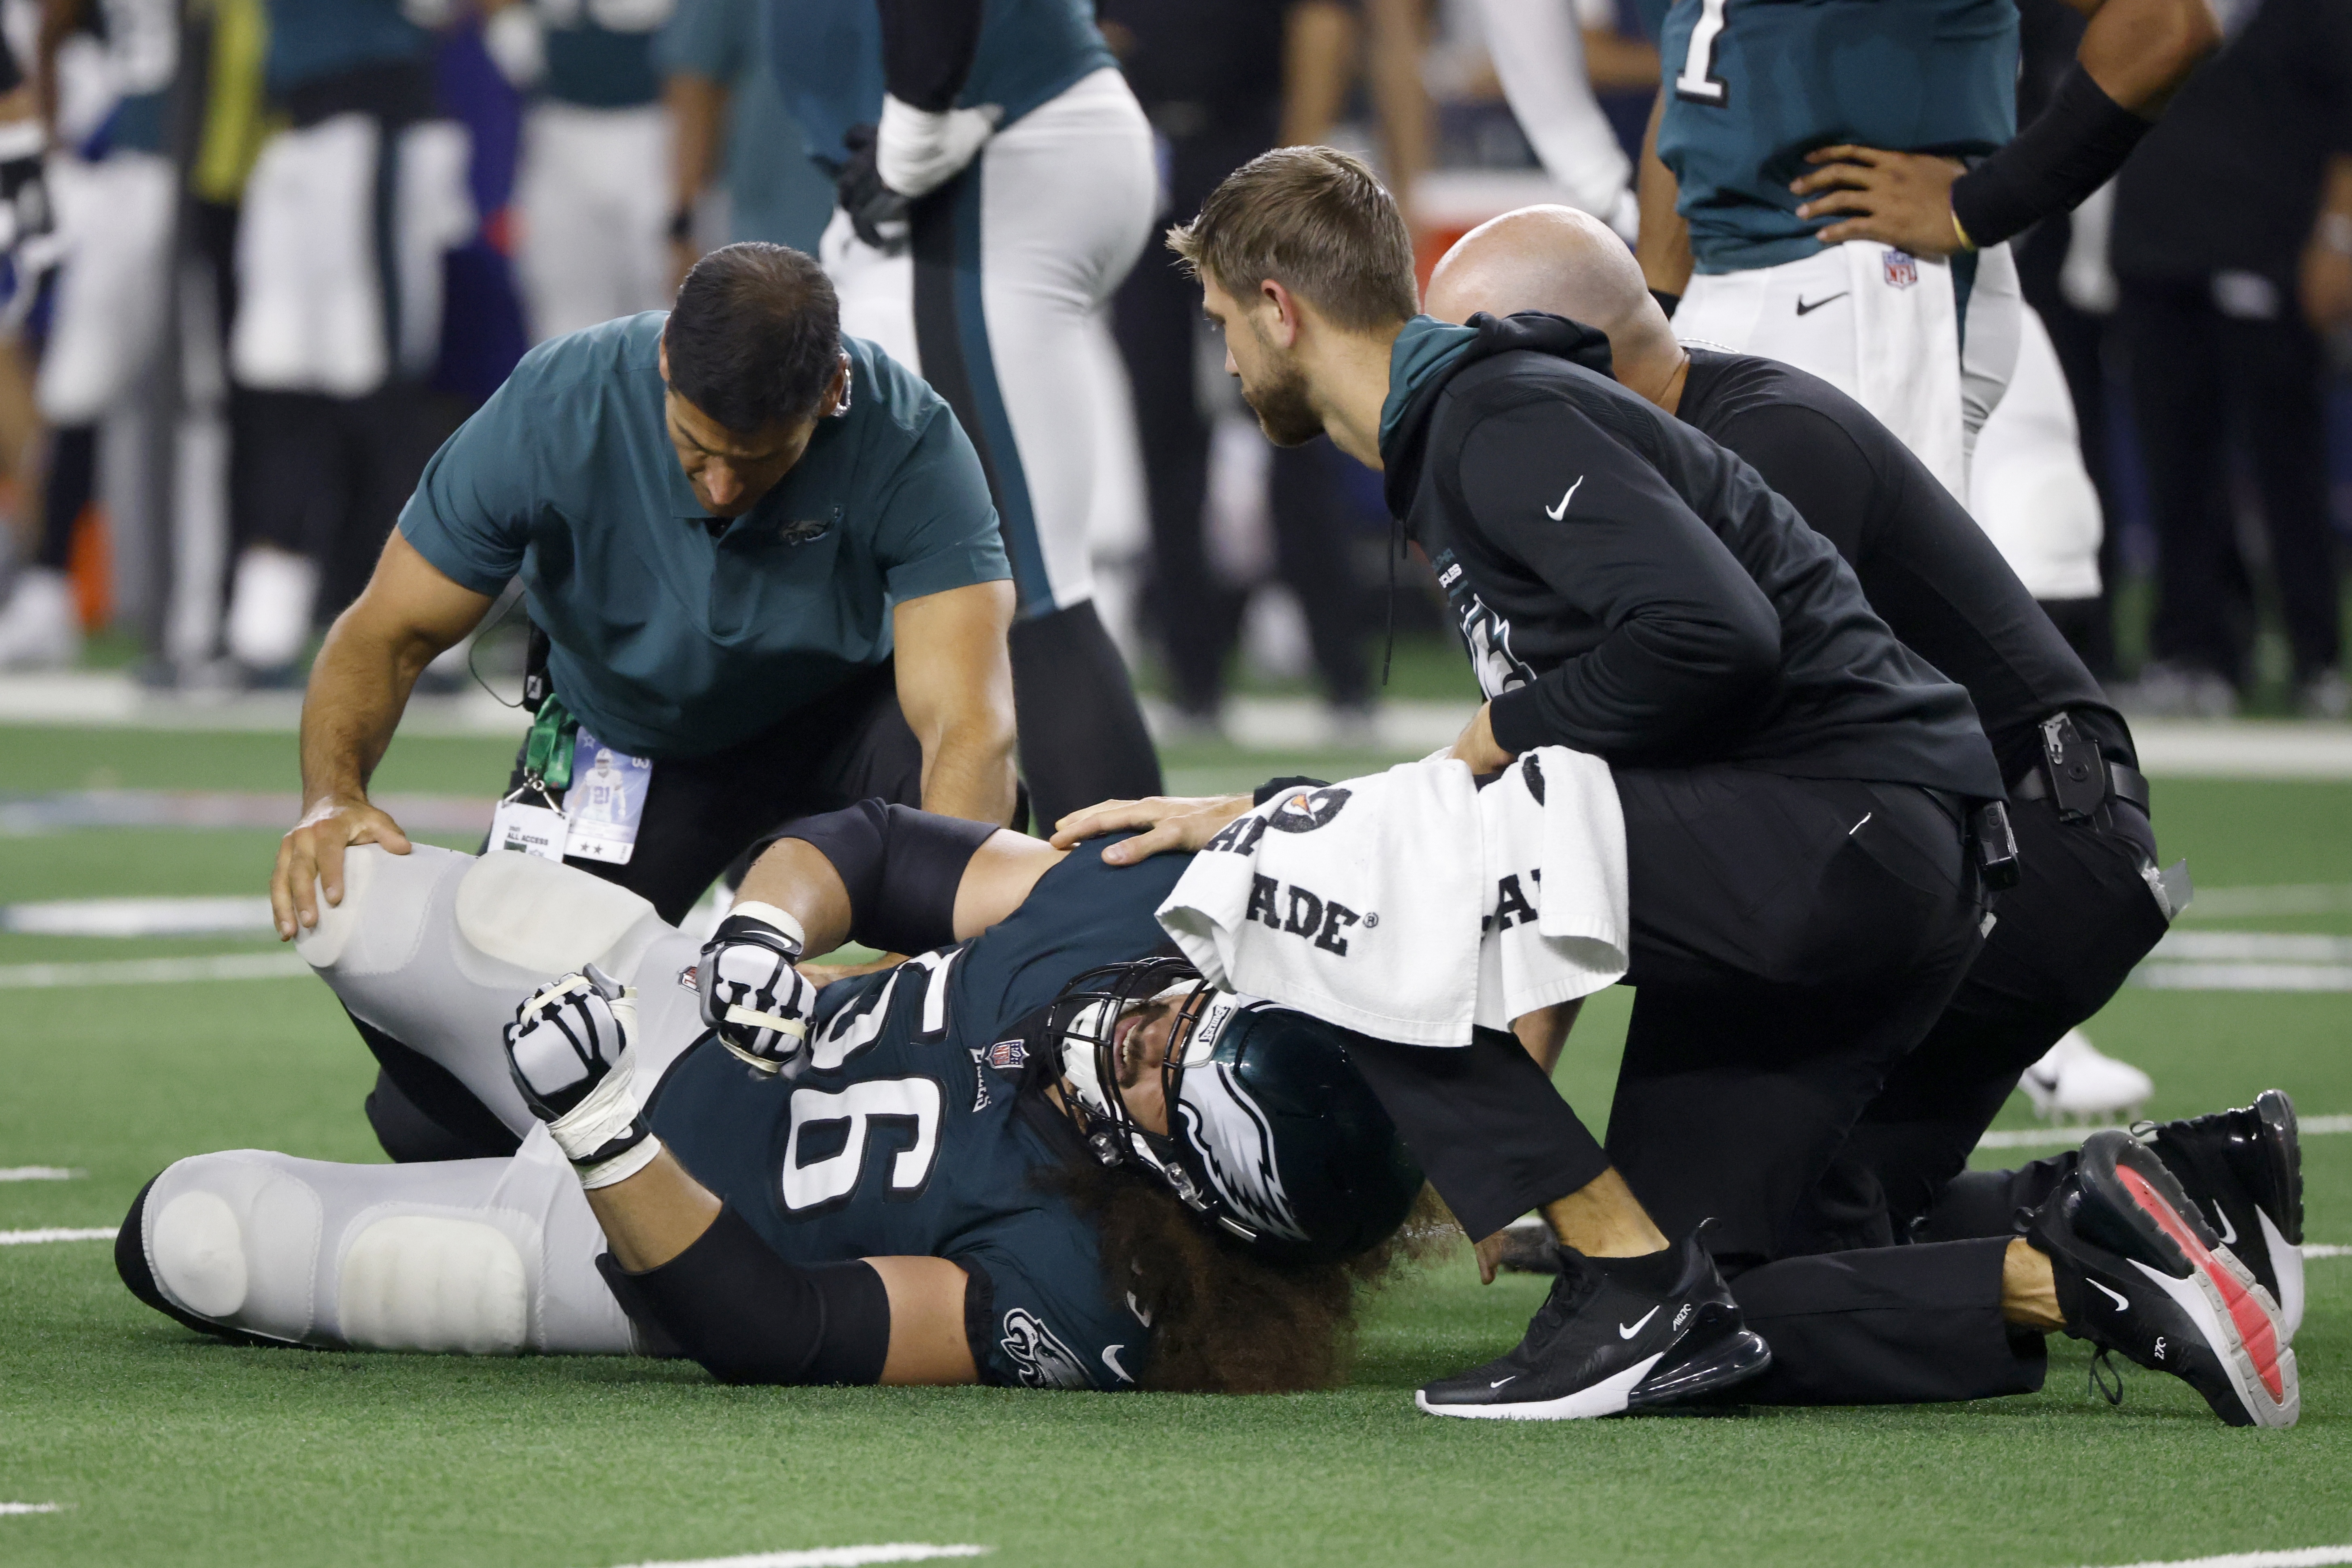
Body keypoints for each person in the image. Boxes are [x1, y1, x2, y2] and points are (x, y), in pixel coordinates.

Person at [1160, 144, 2017, 1419]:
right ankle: (2101, 1253)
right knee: (1727, 1298)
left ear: (1280, 307)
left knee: (1324, 872)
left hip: (1842, 830)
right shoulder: (1476, 425)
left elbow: (1709, 638)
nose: (1227, 357)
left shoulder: (1490, 417)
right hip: (1878, 847)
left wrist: (1481, 741)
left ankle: (1622, 1285)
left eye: (1226, 319)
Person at [119, 803, 1427, 1392]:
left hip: (619, 1242)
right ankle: (450, 1113)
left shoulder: (1091, 1295)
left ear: (1185, 1196)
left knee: (193, 1240)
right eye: (1184, 1019)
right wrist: (761, 932)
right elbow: (875, 846)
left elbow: (780, 1324)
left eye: (1154, 1075)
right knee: (344, 900)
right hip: (669, 1001)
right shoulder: (1141, 923)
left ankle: (496, 1133)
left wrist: (597, 1133)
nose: (1141, 1027)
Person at [1423, 203, 2172, 1227]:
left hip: (2025, 843)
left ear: (1564, 357)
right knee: (1754, 1212)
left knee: (1725, 1249)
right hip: (1932, 838)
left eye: (1477, 373)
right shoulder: (1644, 470)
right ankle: (2170, 1204)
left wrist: (1507, 1119)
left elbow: (1621, 781)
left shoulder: (1767, 446)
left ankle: (2097, 1267)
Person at [268, 242, 1020, 1161]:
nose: (718, 487)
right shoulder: (558, 405)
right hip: (619, 743)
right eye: (695, 448)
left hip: (843, 735)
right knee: (439, 1123)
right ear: (666, 358)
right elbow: (384, 633)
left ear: (831, 395)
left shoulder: (908, 439)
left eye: (756, 462)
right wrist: (333, 794)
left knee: (976, 926)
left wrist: (926, 970)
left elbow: (970, 726)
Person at [764, 0, 1163, 829]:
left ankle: (1122, 929)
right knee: (908, 582)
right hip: (968, 156)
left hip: (983, 158)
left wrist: (912, 130)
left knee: (1023, 588)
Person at [1631, 0, 2218, 507]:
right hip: (1723, 280)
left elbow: (2164, 25)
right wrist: (1655, 309)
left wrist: (1983, 203)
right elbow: (1695, 80)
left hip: (1863, 278)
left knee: (1857, 618)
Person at [1101, 0, 1373, 734]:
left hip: (1250, 149)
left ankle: (1343, 674)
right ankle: (1193, 678)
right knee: (1160, 426)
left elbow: (1324, 27)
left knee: (1300, 413)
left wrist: (1288, 182)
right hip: (1145, 164)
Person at [2110, 0, 2352, 719]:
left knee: (2287, 461)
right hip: (2155, 248)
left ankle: (2317, 655)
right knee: (2175, 466)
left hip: (2268, 248)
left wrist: (2337, 240)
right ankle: (2192, 650)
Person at [221, 0, 476, 677]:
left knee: (385, 391)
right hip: (300, 136)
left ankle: (435, 624)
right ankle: (264, 627)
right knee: (280, 382)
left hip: (375, 129)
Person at [482, 0, 680, 342]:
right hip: (558, 127)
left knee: (673, 300)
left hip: (658, 127)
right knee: (563, 300)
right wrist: (509, 25)